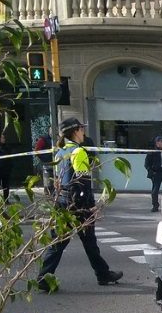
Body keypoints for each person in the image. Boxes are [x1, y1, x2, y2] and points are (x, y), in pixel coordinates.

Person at [37, 117, 122, 291]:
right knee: (86, 241)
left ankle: (101, 273)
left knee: (62, 242)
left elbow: (59, 180)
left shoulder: (61, 152)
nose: (84, 132)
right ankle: (101, 274)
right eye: (82, 129)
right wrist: (88, 206)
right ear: (75, 131)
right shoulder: (78, 152)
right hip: (78, 204)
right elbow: (82, 181)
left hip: (63, 202)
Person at [144, 135, 162, 212]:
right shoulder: (152, 152)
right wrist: (152, 172)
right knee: (155, 191)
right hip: (157, 173)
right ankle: (155, 205)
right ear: (157, 143)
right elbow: (146, 164)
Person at [35, 130, 55, 195]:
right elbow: (37, 151)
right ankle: (48, 194)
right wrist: (46, 158)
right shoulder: (43, 139)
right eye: (51, 130)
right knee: (48, 183)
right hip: (47, 164)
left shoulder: (58, 138)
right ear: (49, 131)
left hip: (56, 164)